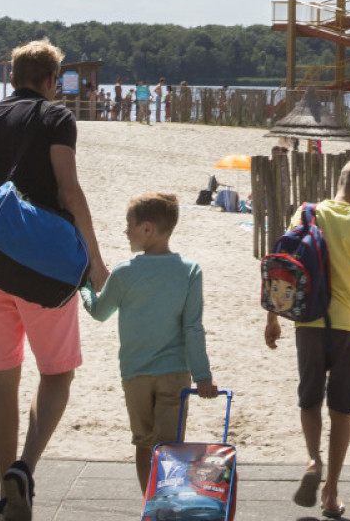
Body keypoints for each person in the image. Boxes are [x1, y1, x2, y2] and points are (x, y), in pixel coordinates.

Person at [0, 39, 110, 521]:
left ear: (11, 77)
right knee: (56, 372)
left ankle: (7, 490)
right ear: (51, 81)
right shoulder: (55, 118)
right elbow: (68, 188)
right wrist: (95, 258)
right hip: (43, 266)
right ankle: (25, 466)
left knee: (1, 380)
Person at [264, 157, 350, 518]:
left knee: (309, 398)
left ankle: (313, 459)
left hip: (308, 322)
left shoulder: (306, 213)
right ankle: (331, 493)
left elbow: (282, 267)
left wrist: (273, 319)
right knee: (342, 409)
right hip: (349, 327)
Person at [81, 192, 217, 493]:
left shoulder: (124, 272)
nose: (125, 230)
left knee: (143, 443)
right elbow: (193, 327)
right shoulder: (190, 271)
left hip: (136, 372)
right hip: (175, 372)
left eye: (129, 224)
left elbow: (99, 312)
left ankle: (149, 505)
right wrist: (203, 376)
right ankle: (166, 503)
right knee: (170, 447)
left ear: (147, 228)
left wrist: (85, 288)